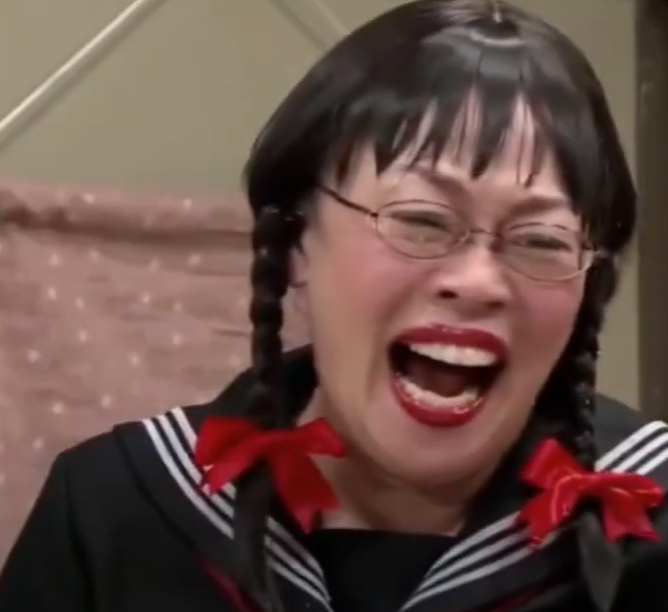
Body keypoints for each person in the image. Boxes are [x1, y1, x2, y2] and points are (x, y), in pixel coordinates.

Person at [1, 1, 667, 611]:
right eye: (423, 221)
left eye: (540, 240)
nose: (478, 282)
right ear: (295, 241)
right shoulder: (119, 512)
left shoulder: (651, 522)